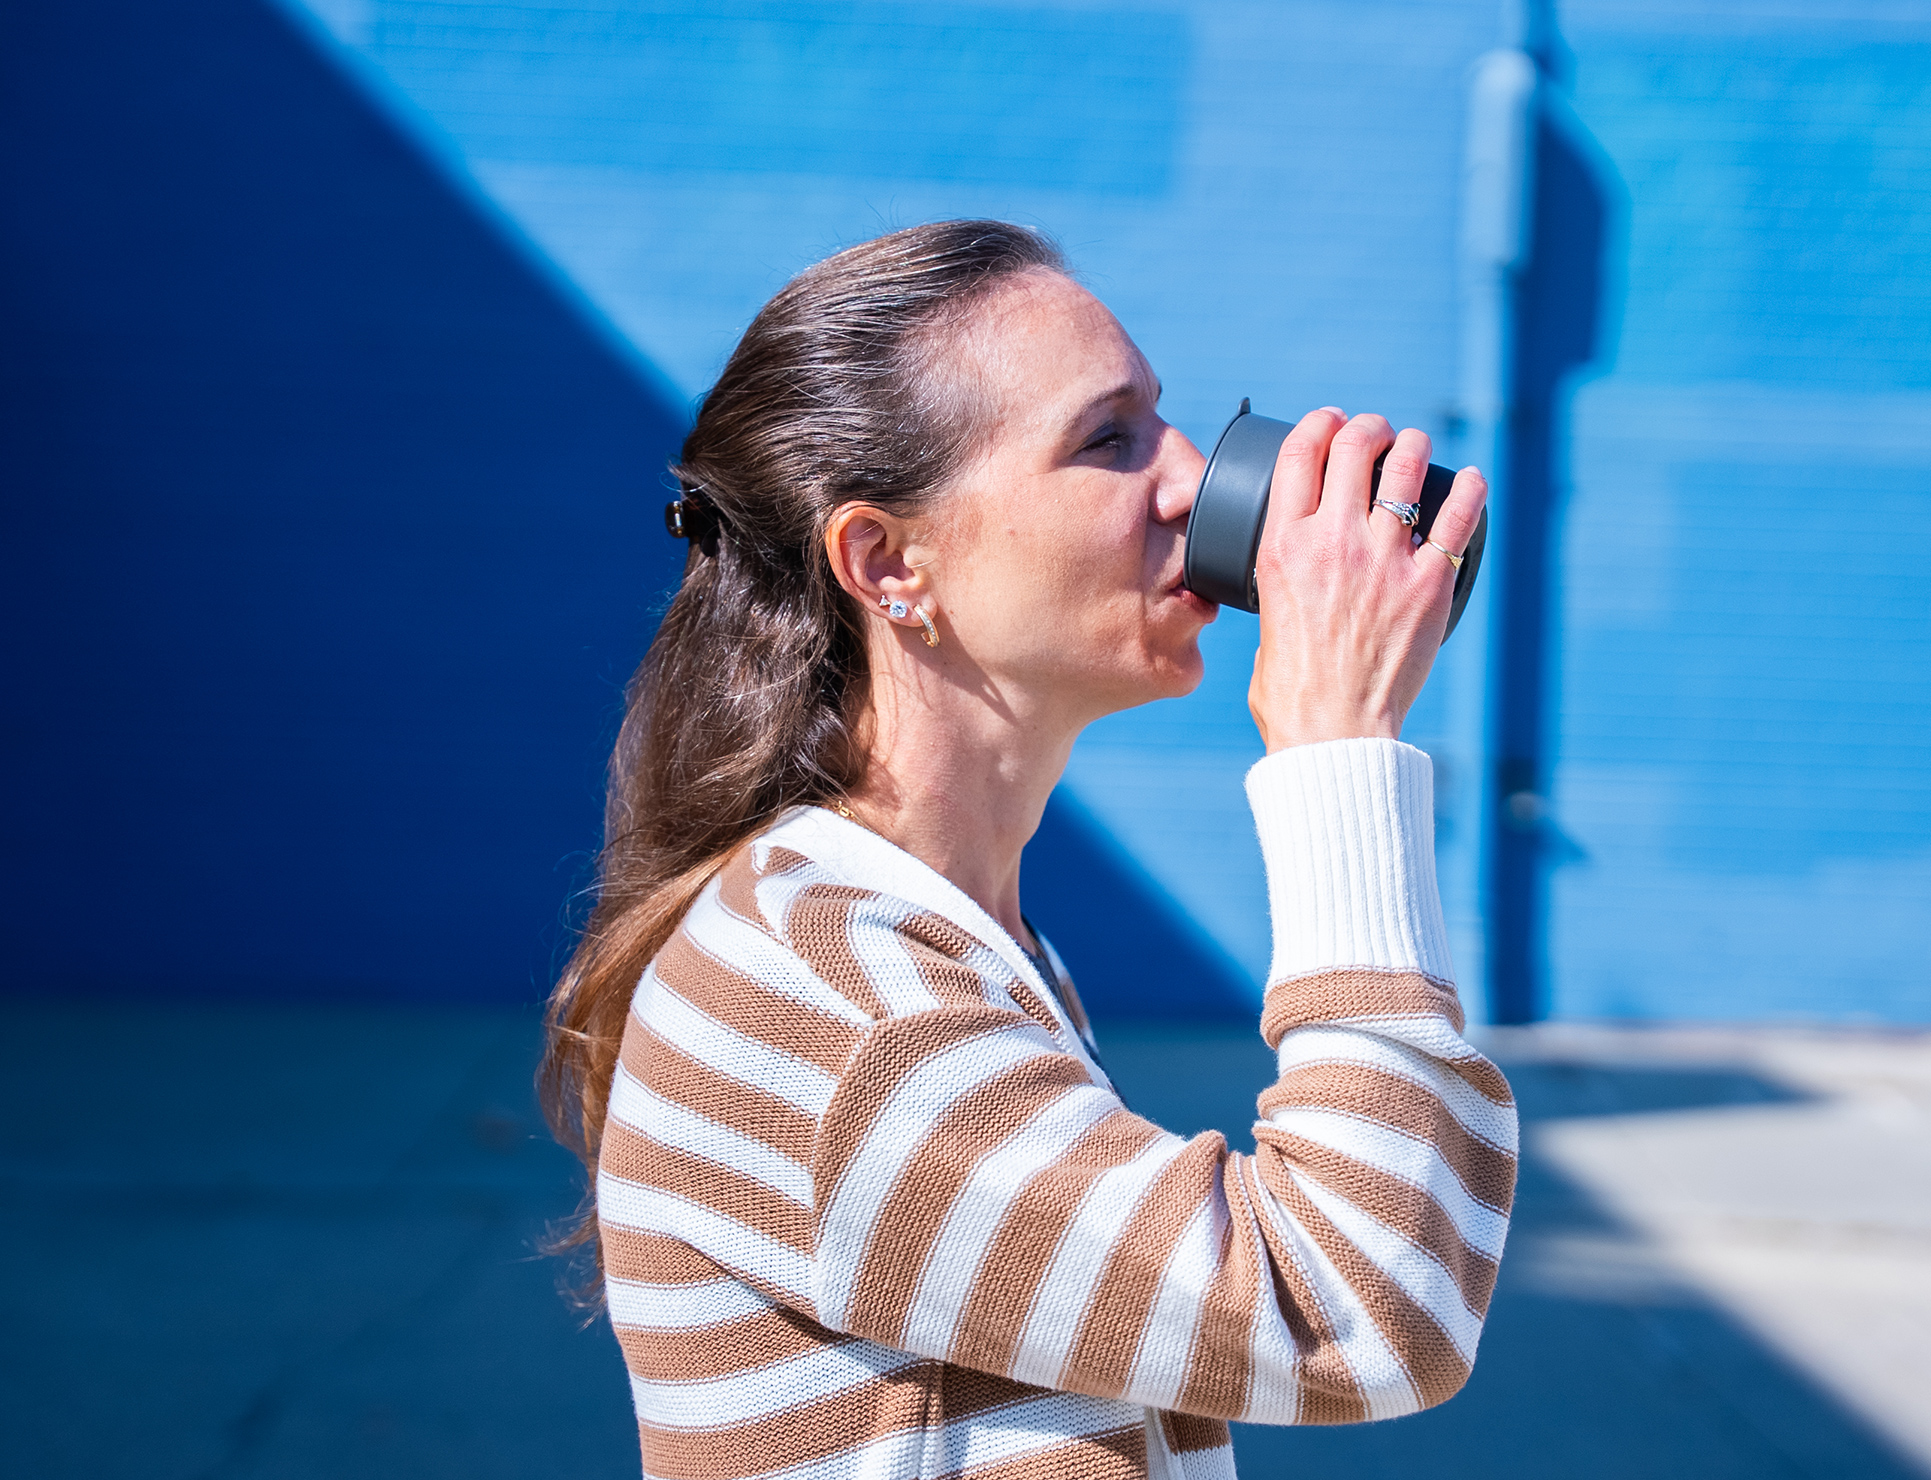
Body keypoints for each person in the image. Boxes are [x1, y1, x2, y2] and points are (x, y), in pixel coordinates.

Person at [541, 220, 1515, 1480]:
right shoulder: (841, 1001)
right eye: (1106, 440)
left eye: (1165, 420)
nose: (1185, 478)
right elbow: (1367, 1309)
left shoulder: (949, 941)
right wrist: (1338, 752)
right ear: (888, 562)